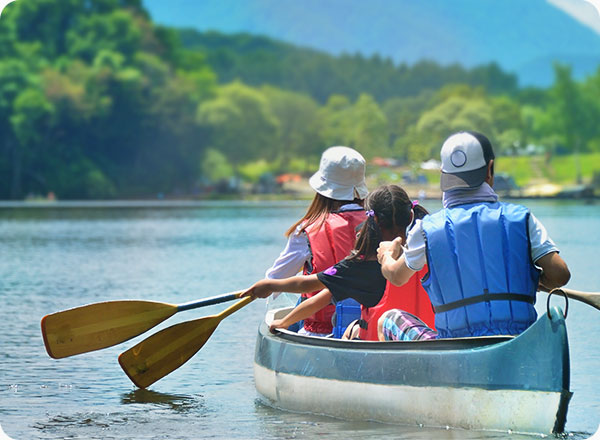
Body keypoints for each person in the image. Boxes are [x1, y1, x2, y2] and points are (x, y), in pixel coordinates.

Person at [378, 131, 571, 341]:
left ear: (444, 175)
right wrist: (537, 281)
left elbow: (397, 277)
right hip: (517, 340)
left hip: (455, 347)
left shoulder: (426, 229)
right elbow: (560, 275)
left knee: (388, 319)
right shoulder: (522, 218)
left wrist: (387, 256)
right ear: (489, 169)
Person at [244, 185, 429, 337]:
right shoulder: (428, 250)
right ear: (411, 215)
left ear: (373, 220)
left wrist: (271, 287)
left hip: (380, 347)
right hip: (426, 337)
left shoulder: (358, 266)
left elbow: (308, 285)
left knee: (353, 329)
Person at [264, 146, 368, 337]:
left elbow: (275, 280)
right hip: (367, 328)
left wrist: (262, 287)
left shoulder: (307, 231)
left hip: (321, 332)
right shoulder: (379, 222)